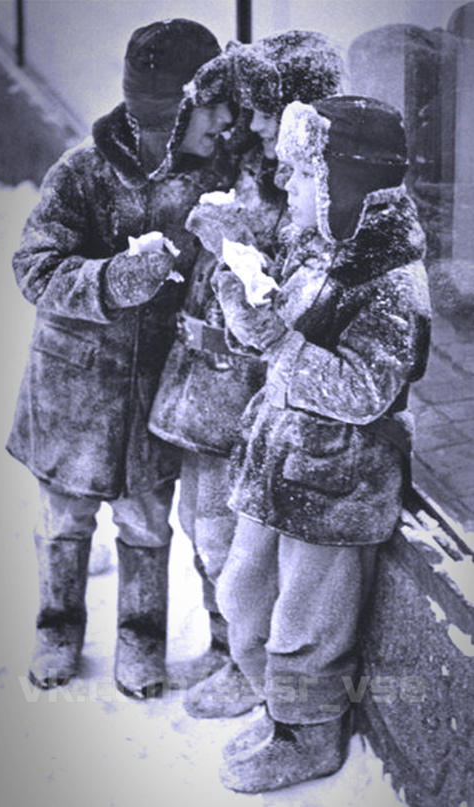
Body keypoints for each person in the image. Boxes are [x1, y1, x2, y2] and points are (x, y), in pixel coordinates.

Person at [6, 18, 237, 697]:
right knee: (66, 520)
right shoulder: (81, 173)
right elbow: (33, 267)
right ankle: (56, 627)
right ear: (173, 112)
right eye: (212, 107)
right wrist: (107, 281)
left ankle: (141, 640)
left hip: (157, 395)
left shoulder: (215, 176)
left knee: (145, 523)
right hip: (73, 394)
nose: (226, 121)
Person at [212, 97, 432, 792]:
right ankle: (277, 711)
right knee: (242, 594)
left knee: (306, 627)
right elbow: (285, 329)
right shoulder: (320, 244)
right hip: (279, 462)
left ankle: (307, 736)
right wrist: (248, 304)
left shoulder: (393, 279)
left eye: (303, 174)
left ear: (345, 183)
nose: (286, 184)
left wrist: (278, 341)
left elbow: (366, 390)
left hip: (338, 482)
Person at [148, 31, 344, 718]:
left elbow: (295, 285)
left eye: (263, 110)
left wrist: (235, 238)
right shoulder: (247, 154)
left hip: (249, 387)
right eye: (248, 109)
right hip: (204, 377)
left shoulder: (312, 184)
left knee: (228, 539)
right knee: (199, 525)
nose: (250, 123)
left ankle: (245, 662)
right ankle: (224, 644)